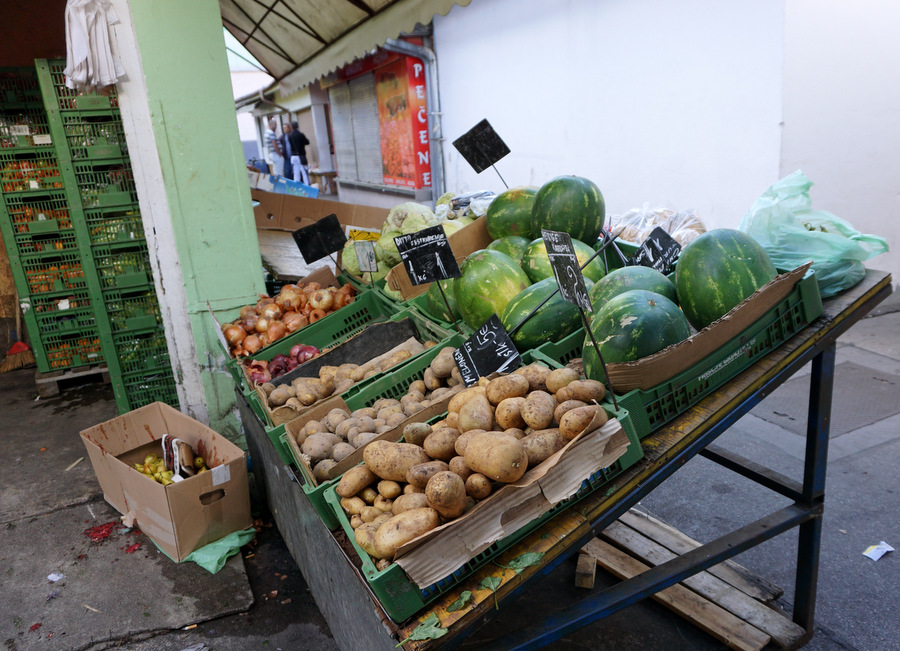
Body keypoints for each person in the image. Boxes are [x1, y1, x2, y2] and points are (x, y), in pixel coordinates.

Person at [288, 121, 311, 185]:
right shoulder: (301, 135)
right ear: (298, 126)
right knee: (304, 172)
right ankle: (307, 186)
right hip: (301, 156)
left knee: (296, 172)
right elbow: (307, 142)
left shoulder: (289, 136)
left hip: (293, 156)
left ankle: (296, 186)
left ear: (291, 127)